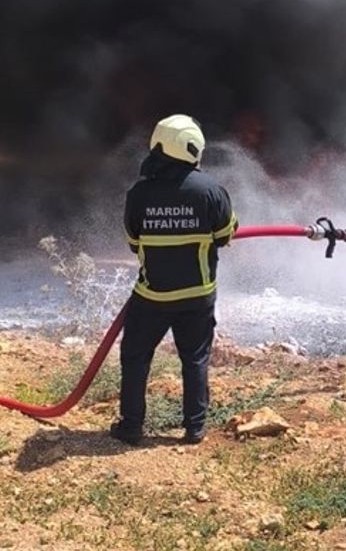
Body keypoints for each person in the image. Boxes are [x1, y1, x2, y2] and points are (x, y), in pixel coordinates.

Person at [112, 114, 237, 445]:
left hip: (152, 296)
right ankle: (195, 427)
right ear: (192, 148)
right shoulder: (211, 190)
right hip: (198, 296)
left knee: (136, 356)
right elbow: (226, 234)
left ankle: (130, 426)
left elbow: (134, 243)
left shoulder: (138, 194)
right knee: (194, 359)